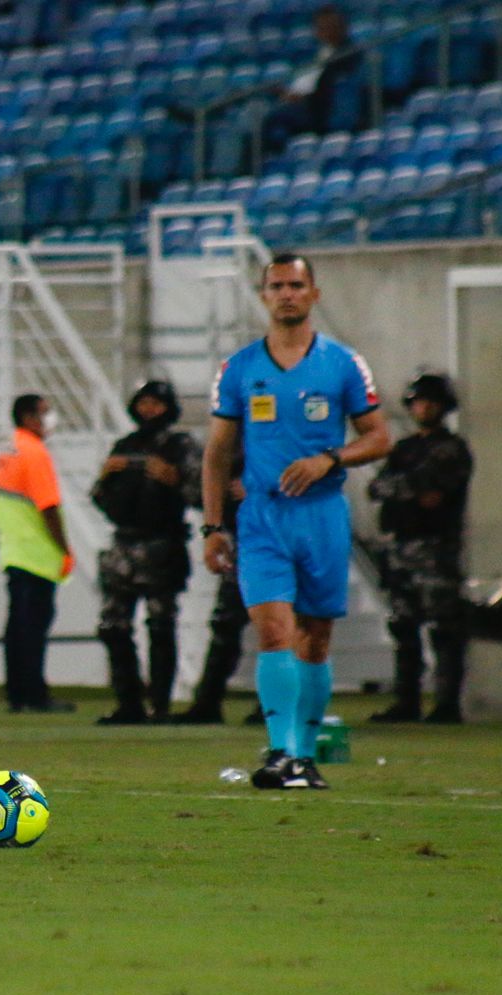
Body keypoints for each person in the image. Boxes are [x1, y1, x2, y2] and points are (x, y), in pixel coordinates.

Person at [203, 252, 390, 790]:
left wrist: (329, 459)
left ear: (314, 294)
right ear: (263, 295)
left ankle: (304, 756)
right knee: (273, 629)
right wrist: (214, 527)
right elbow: (217, 453)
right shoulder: (239, 369)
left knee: (315, 638)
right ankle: (281, 751)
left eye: (296, 285)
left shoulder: (343, 364)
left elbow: (379, 436)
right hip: (262, 517)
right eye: (276, 285)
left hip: (323, 516)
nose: (286, 293)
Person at [90, 379, 202, 725]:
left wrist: (173, 478)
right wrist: (105, 476)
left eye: (156, 403)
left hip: (163, 547)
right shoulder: (125, 445)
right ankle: (129, 702)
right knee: (113, 627)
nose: (149, 410)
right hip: (123, 546)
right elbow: (100, 499)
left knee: (161, 626)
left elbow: (201, 495)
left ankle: (160, 705)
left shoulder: (181, 446)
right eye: (144, 403)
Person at [367, 372, 472, 724]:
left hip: (435, 548)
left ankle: (446, 703)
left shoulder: (452, 448)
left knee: (445, 628)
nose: (423, 409)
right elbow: (377, 487)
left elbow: (429, 488)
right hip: (399, 548)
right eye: (418, 403)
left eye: (431, 402)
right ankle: (406, 701)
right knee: (403, 627)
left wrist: (401, 487)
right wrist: (405, 488)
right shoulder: (405, 448)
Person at [0, 393, 76, 714]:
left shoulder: (9, 449)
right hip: (37, 555)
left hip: (15, 551)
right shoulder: (34, 452)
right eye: (45, 412)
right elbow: (48, 507)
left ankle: (17, 695)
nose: (50, 418)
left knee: (17, 628)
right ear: (28, 418)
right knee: (33, 629)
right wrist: (64, 548)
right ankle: (35, 695)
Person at [169, 447, 249, 725]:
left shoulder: (289, 440)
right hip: (242, 543)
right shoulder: (233, 443)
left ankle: (277, 707)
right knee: (225, 625)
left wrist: (264, 487)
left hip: (281, 541)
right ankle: (207, 703)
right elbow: (202, 486)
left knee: (279, 629)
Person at [263, 5, 362, 150]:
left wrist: (302, 98)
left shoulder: (347, 54)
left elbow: (331, 88)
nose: (324, 32)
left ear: (342, 27)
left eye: (329, 27)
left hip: (318, 109)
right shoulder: (318, 53)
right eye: (320, 27)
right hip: (299, 100)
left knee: (272, 117)